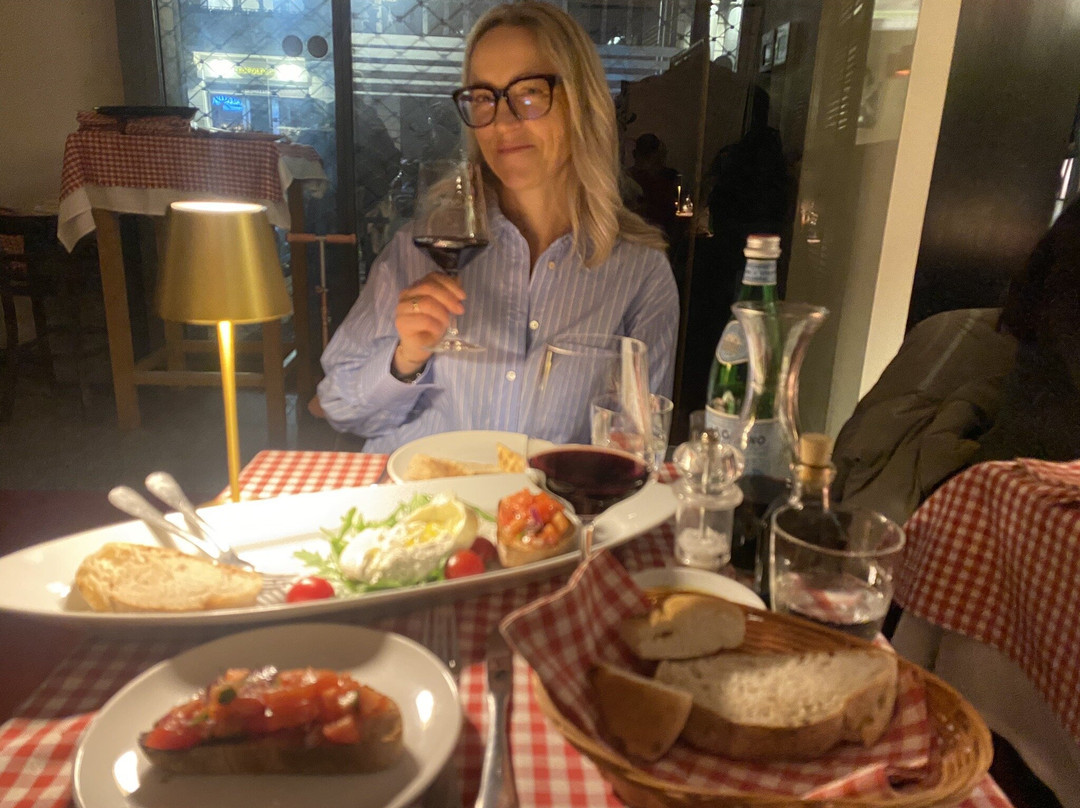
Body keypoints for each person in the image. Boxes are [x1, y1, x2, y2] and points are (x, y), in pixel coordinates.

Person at [315, 1, 679, 453]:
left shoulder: (641, 273)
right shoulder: (417, 248)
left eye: (529, 92)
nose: (502, 121)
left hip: (547, 498)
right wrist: (407, 356)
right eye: (484, 97)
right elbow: (339, 407)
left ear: (581, 102)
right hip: (425, 494)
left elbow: (636, 446)